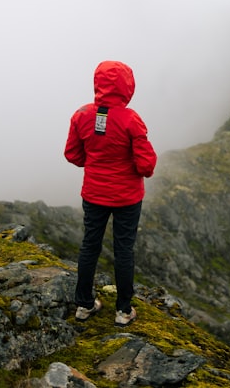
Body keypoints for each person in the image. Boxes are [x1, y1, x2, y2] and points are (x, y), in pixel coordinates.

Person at [65, 60, 157, 325]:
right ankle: (123, 311)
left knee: (89, 245)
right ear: (127, 86)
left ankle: (84, 305)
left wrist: (95, 164)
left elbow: (72, 154)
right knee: (124, 249)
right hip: (127, 197)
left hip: (94, 193)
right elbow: (146, 166)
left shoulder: (81, 115)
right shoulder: (131, 119)